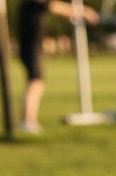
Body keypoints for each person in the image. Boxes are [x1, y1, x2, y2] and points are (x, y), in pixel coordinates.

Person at [17, 0, 98, 133]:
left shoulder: (30, 5)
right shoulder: (32, 3)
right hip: (31, 49)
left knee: (35, 82)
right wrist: (83, 12)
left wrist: (70, 15)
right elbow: (54, 6)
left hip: (31, 48)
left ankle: (27, 121)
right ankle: (27, 121)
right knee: (35, 82)